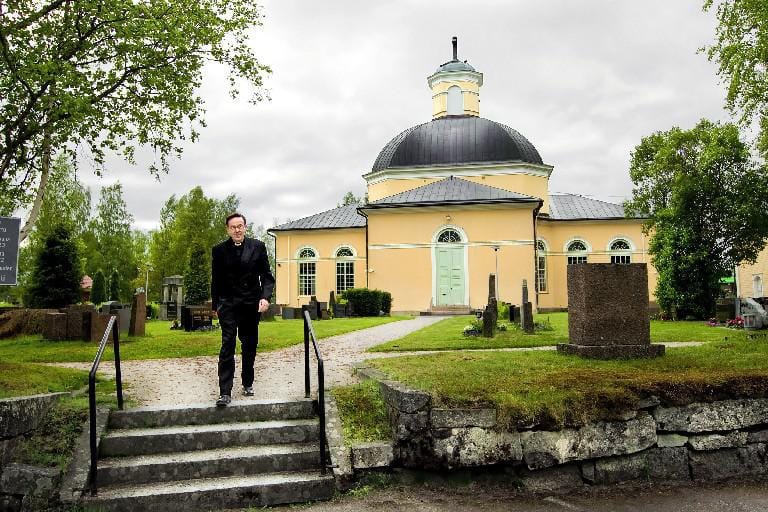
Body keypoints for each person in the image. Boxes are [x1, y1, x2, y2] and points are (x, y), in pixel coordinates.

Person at [211, 212, 275, 406]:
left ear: (245, 227)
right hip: (228, 304)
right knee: (227, 344)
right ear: (228, 230)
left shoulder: (258, 247)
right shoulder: (219, 250)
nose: (237, 230)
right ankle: (225, 392)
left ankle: (247, 381)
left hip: (250, 304)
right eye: (233, 227)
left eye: (240, 226)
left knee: (249, 345)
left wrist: (265, 297)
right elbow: (216, 280)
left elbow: (267, 276)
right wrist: (216, 306)